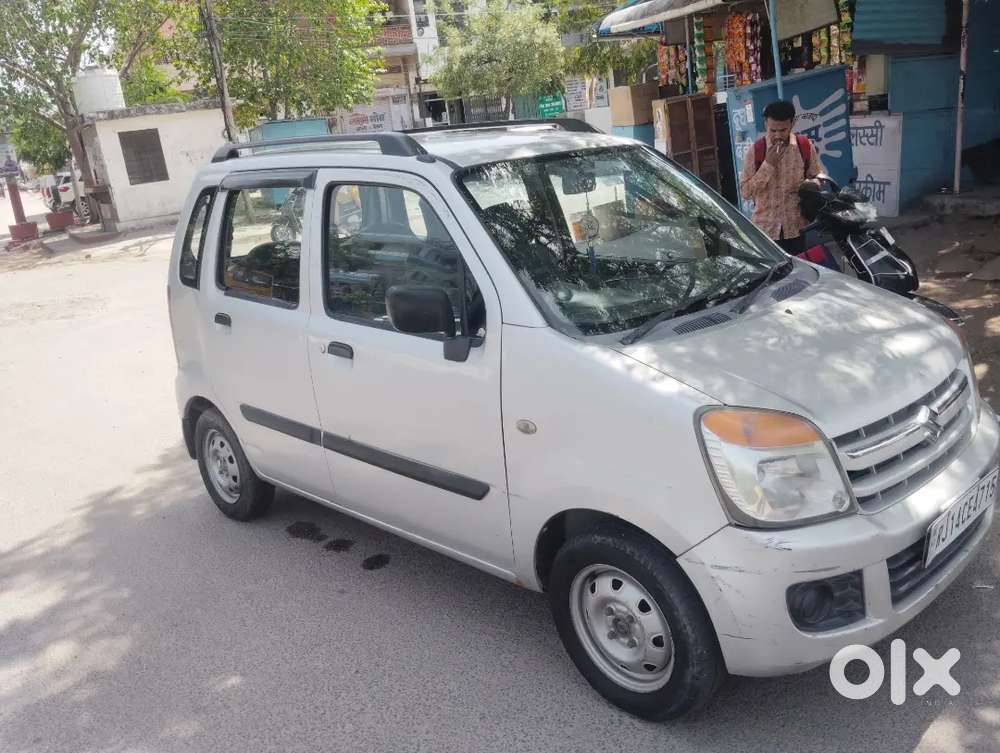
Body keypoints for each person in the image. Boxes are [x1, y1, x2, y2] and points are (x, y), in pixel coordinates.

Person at [739, 99, 824, 256]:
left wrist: (811, 184)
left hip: (797, 228)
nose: (778, 135)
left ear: (792, 124)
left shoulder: (804, 146)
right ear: (766, 124)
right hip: (766, 230)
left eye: (783, 130)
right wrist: (768, 165)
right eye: (773, 130)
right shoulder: (755, 150)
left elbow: (817, 176)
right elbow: (745, 192)